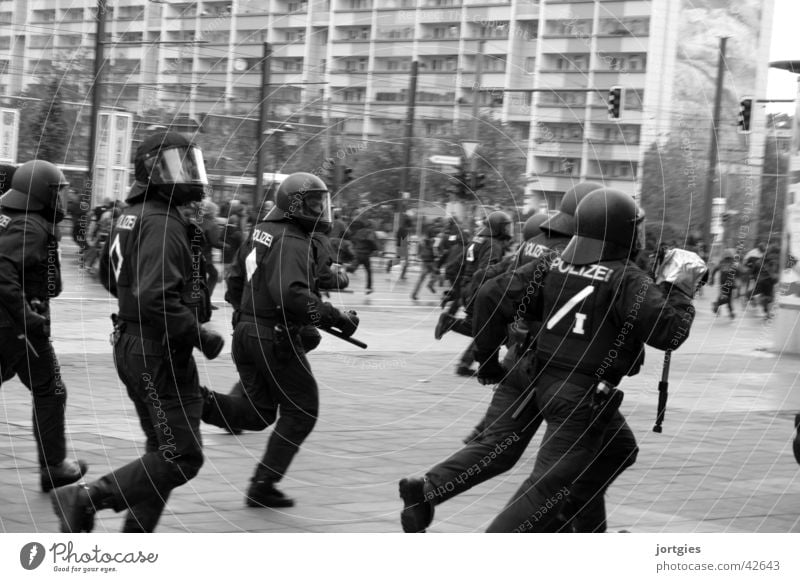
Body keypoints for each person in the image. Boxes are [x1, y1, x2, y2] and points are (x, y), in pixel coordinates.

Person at [485, 189, 705, 532]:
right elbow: (669, 332)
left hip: (546, 379)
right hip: (580, 394)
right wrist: (680, 289)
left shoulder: (560, 262)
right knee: (546, 486)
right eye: (636, 230)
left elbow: (496, 296)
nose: (641, 239)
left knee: (617, 449)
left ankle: (579, 524)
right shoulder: (624, 276)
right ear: (621, 232)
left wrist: (492, 358)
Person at [397, 183, 603, 533]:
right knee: (589, 457)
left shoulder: (534, 243)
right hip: (565, 373)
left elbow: (489, 287)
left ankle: (427, 490)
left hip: (521, 359)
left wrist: (489, 358)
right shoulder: (581, 254)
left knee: (499, 448)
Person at [50, 131, 224, 533]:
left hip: (132, 343)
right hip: (158, 351)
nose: (187, 173)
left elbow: (115, 281)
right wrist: (200, 334)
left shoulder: (131, 214)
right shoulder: (162, 221)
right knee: (182, 455)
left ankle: (135, 538)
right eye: (176, 163)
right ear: (150, 169)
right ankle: (88, 497)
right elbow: (156, 299)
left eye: (189, 162)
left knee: (160, 450)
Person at [201, 172, 359, 508]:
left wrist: (244, 315)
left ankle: (195, 401)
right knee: (302, 410)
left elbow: (234, 277)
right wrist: (336, 317)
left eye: (322, 203)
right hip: (274, 335)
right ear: (293, 205)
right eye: (313, 204)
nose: (320, 210)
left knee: (257, 412)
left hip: (247, 331)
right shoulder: (293, 239)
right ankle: (262, 485)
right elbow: (293, 295)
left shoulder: (262, 230)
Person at [0, 160, 88, 493]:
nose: (64, 199)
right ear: (40, 193)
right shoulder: (30, 226)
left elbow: (51, 285)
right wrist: (28, 317)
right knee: (50, 389)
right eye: (58, 192)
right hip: (16, 328)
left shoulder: (11, 218)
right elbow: (3, 273)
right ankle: (54, 467)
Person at [434, 210, 512, 376]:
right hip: (479, 290)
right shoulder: (493, 245)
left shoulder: (477, 239)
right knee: (490, 329)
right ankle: (450, 324)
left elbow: (457, 264)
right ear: (498, 228)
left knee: (485, 327)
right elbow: (488, 272)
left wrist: (457, 290)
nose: (508, 231)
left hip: (467, 288)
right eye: (505, 227)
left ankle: (465, 363)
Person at [410, 222, 441, 301]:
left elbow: (418, 252)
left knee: (421, 279)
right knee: (437, 275)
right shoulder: (434, 241)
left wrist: (419, 255)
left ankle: (414, 293)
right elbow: (435, 251)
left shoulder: (422, 241)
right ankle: (430, 284)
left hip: (424, 262)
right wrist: (438, 256)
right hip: (432, 262)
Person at [348, 218, 379, 294]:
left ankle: (342, 269)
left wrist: (356, 247)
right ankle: (368, 288)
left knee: (352, 268)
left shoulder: (359, 231)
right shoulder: (371, 232)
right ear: (372, 226)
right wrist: (374, 248)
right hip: (365, 255)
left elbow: (353, 239)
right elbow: (372, 241)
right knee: (368, 271)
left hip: (357, 253)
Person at [712, 249, 737, 319]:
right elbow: (739, 272)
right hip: (729, 284)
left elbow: (714, 270)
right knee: (727, 298)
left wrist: (712, 279)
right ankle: (729, 311)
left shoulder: (722, 262)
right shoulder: (733, 263)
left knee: (725, 297)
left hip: (724, 283)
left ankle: (718, 305)